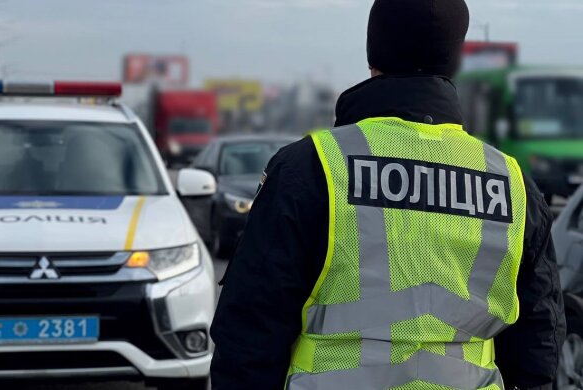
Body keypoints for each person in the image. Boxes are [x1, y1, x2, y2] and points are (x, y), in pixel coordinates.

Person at [210, 0, 566, 389]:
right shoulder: (512, 184)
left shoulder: (311, 168)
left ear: (372, 56)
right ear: (454, 62)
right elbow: (538, 348)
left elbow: (249, 336)